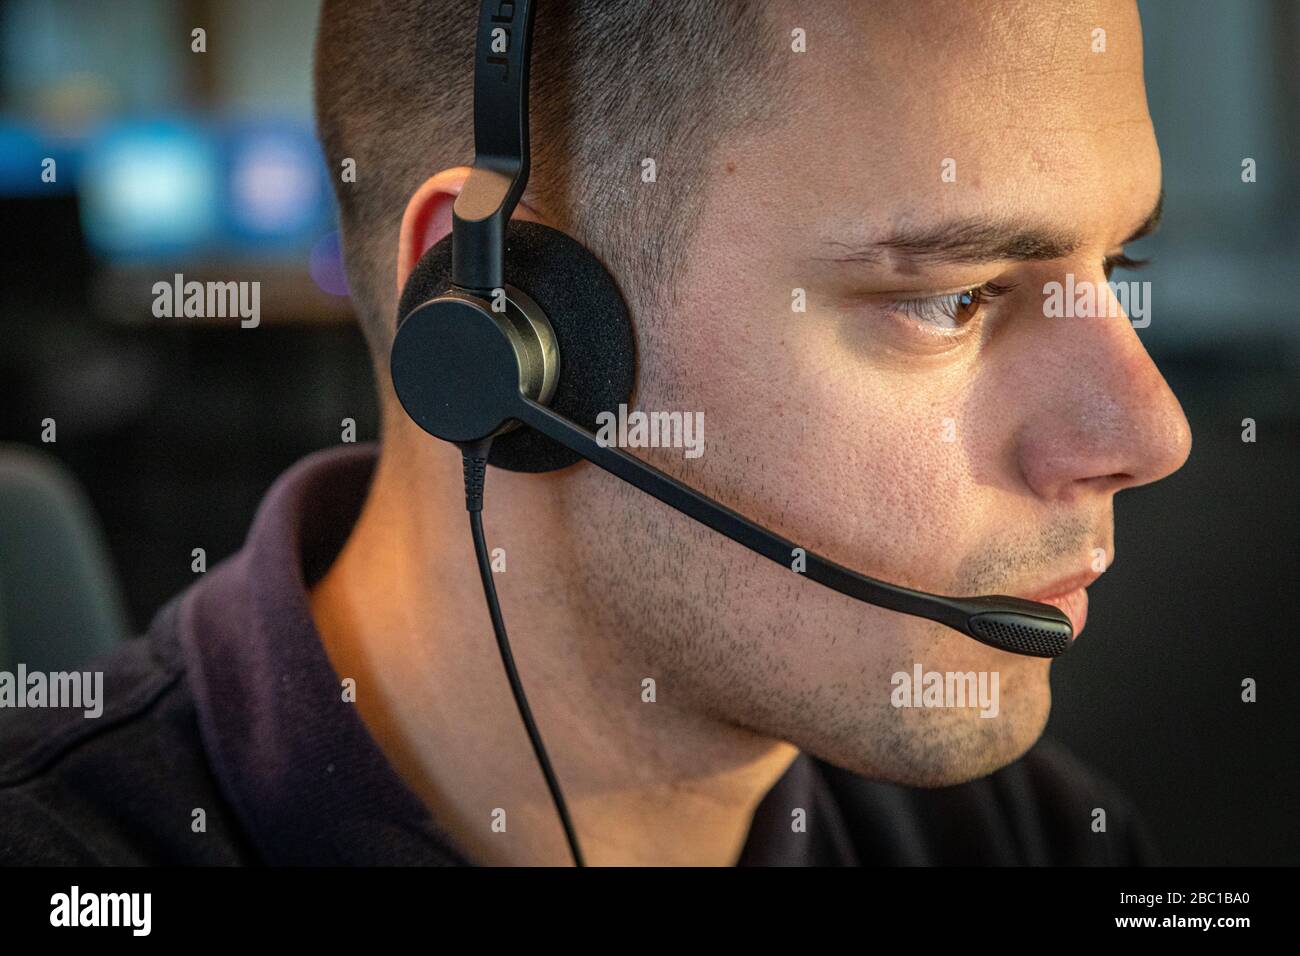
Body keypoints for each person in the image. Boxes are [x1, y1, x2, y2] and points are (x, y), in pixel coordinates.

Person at [0, 0, 1189, 866]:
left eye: (1117, 263)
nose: (1151, 430)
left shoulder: (1028, 834)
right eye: (955, 296)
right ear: (501, 321)